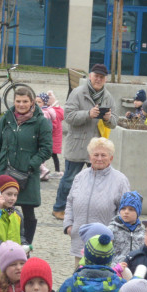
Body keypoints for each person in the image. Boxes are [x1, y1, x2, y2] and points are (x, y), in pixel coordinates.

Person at [0, 86, 52, 245]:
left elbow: (46, 149)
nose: (21, 104)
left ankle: (26, 245)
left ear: (32, 102)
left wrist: (31, 164)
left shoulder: (41, 121)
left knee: (28, 212)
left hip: (27, 174)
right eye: (18, 101)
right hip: (4, 171)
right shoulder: (6, 118)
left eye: (25, 101)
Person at [52, 63, 118, 220]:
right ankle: (58, 208)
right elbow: (68, 117)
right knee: (69, 178)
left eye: (101, 77)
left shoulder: (108, 97)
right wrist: (88, 114)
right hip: (77, 144)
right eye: (96, 76)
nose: (98, 79)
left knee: (98, 181)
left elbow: (115, 122)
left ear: (105, 79)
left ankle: (93, 210)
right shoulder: (77, 93)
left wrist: (109, 118)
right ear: (90, 76)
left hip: (97, 148)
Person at [65, 137, 131, 264]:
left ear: (111, 158)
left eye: (103, 155)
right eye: (96, 155)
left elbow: (124, 212)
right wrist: (68, 225)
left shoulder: (120, 180)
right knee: (79, 279)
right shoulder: (80, 177)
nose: (99, 158)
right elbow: (70, 202)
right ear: (90, 157)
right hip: (80, 243)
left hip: (105, 247)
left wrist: (113, 235)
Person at [109, 190, 144, 264]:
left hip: (136, 270)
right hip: (116, 270)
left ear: (138, 212)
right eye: (123, 208)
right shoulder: (111, 230)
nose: (126, 212)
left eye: (131, 209)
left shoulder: (143, 232)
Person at [38, 91, 64, 178]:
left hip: (52, 138)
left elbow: (52, 126)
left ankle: (44, 170)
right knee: (53, 155)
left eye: (39, 102)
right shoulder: (55, 110)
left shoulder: (46, 113)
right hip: (55, 137)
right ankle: (56, 170)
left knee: (45, 154)